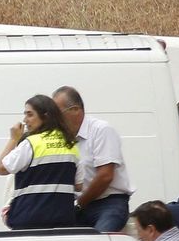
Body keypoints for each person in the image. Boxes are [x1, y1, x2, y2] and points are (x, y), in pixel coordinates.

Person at [54, 86, 131, 231]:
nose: (55, 120)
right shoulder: (62, 138)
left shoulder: (101, 130)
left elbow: (105, 176)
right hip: (79, 205)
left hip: (108, 203)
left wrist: (78, 204)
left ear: (75, 110)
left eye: (58, 114)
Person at [0, 94, 79, 229]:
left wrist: (13, 139)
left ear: (45, 116)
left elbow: (0, 168)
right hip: (63, 220)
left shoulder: (31, 143)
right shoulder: (71, 144)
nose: (25, 120)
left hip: (29, 219)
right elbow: (79, 185)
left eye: (30, 115)